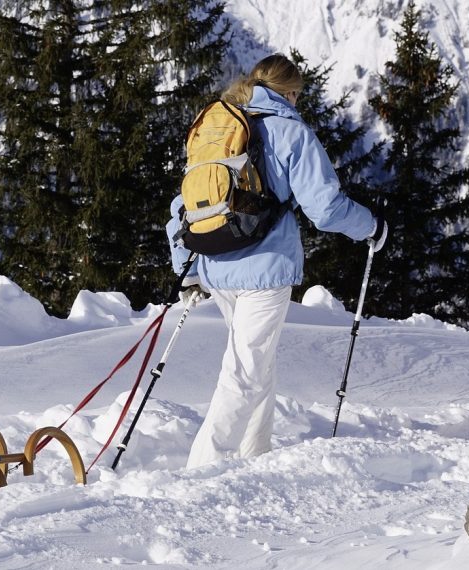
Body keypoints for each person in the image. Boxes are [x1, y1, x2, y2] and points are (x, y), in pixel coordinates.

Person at [166, 54, 387, 469]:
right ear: (289, 92)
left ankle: (255, 455)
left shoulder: (221, 126)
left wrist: (189, 270)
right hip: (265, 270)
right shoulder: (290, 131)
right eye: (298, 95)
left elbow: (184, 204)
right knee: (245, 371)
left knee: (255, 362)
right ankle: (201, 468)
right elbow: (326, 209)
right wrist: (372, 227)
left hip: (217, 263)